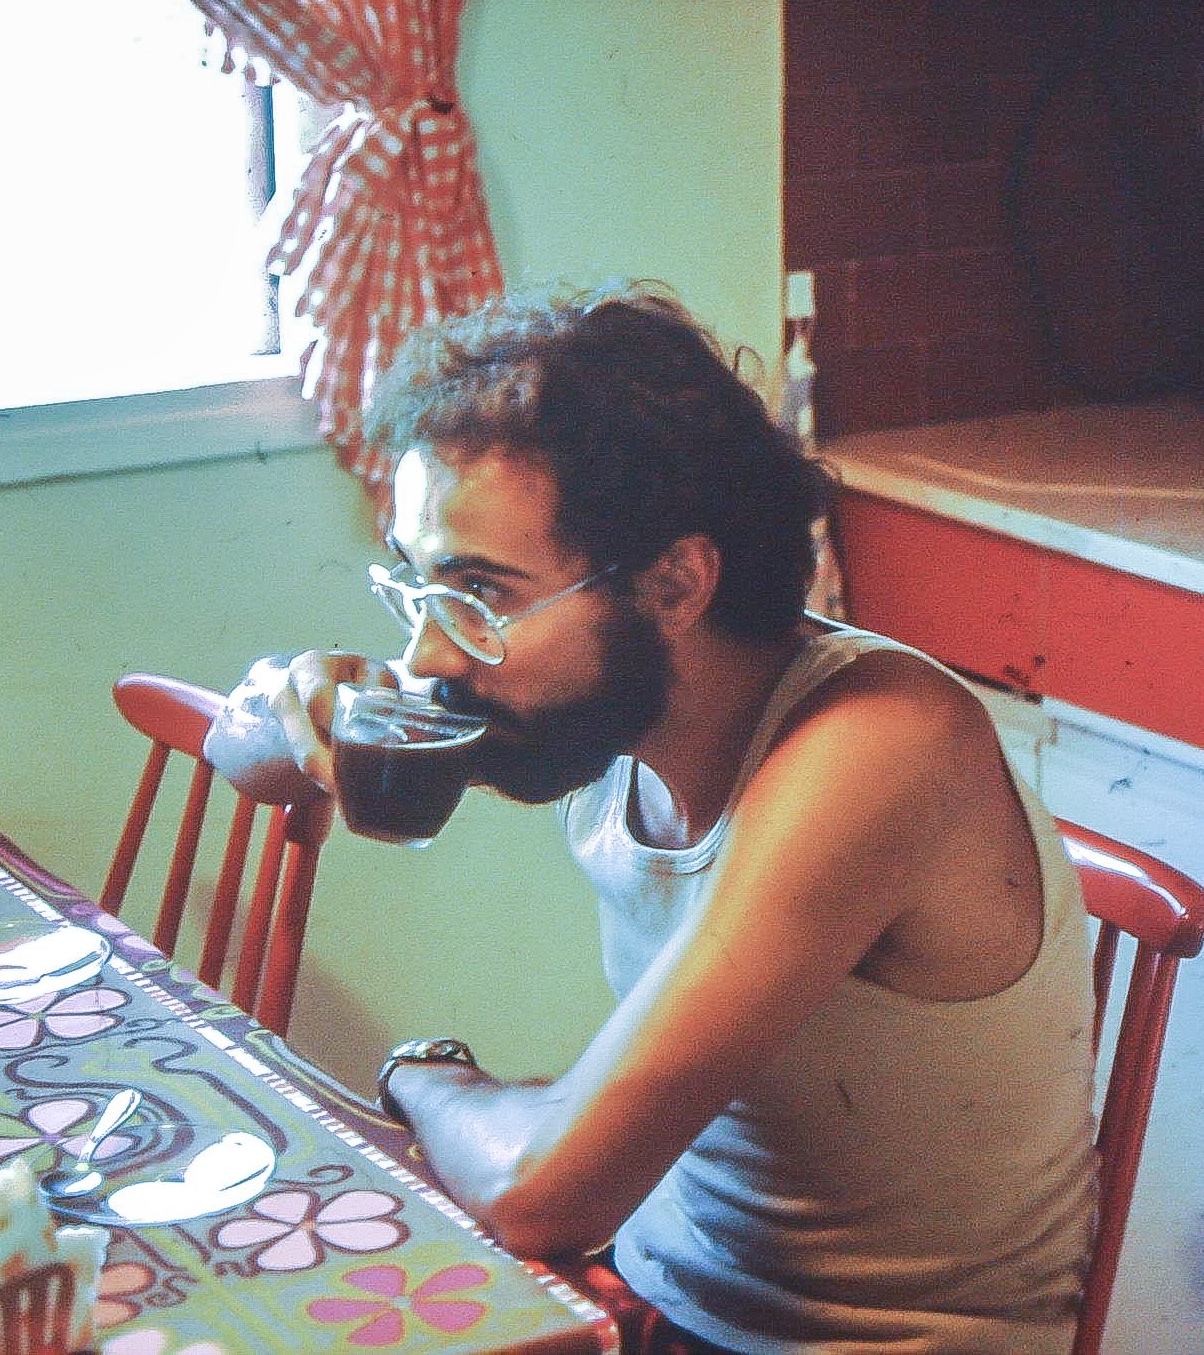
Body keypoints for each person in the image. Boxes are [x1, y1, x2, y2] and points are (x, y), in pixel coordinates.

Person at [204, 284, 1097, 1353]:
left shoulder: (876, 748)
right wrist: (287, 703)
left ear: (675, 583)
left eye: (479, 595)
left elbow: (543, 1196)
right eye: (420, 588)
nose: (432, 656)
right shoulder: (604, 696)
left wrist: (422, 1074)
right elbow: (245, 754)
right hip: (659, 1297)